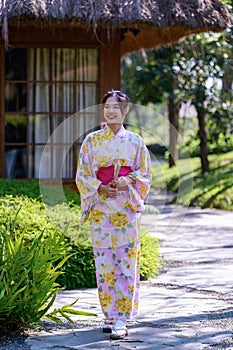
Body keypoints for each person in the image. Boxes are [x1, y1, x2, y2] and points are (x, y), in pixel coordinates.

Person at [75, 90, 151, 340]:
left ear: (125, 111)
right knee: (104, 262)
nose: (110, 111)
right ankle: (108, 315)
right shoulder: (91, 141)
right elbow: (83, 174)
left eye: (116, 108)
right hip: (100, 209)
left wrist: (126, 179)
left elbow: (145, 174)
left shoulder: (136, 142)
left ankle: (122, 317)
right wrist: (99, 186)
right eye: (107, 106)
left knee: (126, 262)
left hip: (126, 210)